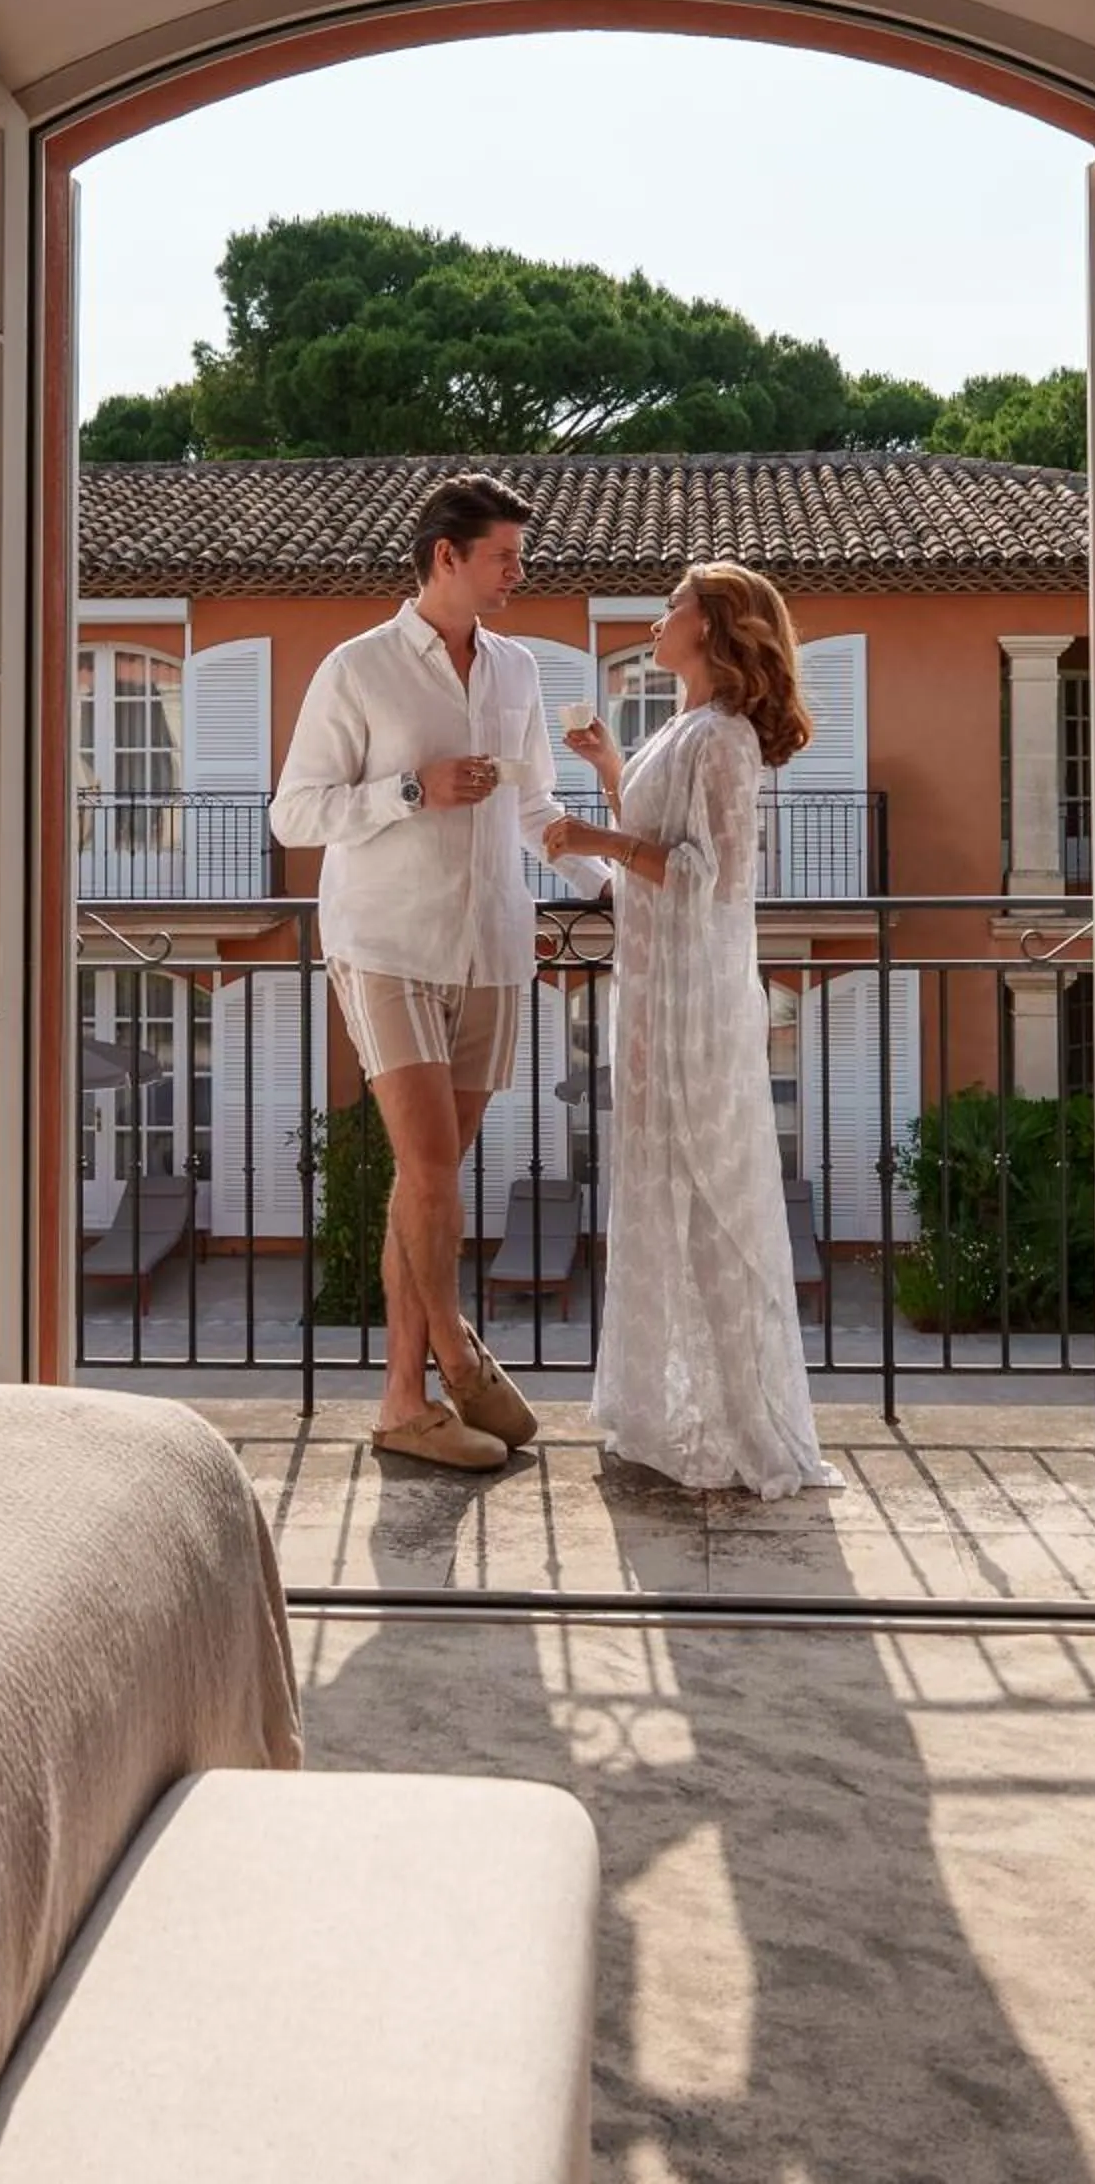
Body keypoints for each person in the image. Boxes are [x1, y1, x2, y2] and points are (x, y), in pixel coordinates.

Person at [271, 472, 609, 1471]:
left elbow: (536, 807)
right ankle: (451, 1361)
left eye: (519, 556)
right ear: (445, 556)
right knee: (424, 1168)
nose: (519, 572)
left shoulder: (515, 672)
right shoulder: (358, 667)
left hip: (494, 944)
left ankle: (406, 1402)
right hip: (385, 942)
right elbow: (295, 811)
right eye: (504, 556)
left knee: (432, 1182)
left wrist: (611, 880)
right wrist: (412, 790)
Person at [545, 563, 840, 1499]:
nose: (658, 616)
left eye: (674, 605)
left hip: (697, 1005)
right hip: (654, 995)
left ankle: (739, 1423)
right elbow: (658, 840)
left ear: (712, 627)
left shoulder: (725, 741)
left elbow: (709, 876)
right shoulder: (682, 728)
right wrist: (606, 771)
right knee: (660, 1191)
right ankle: (672, 1416)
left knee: (712, 1203)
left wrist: (593, 840)